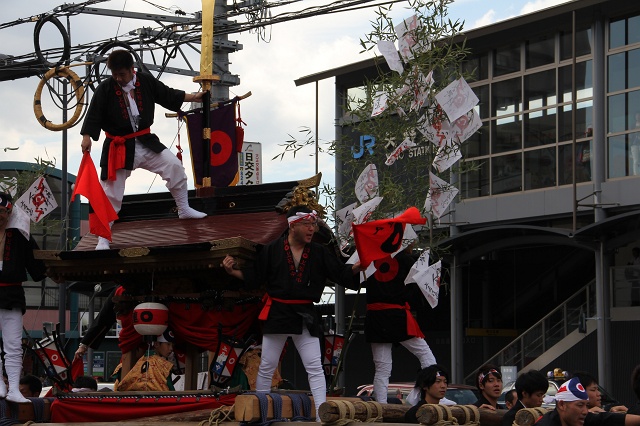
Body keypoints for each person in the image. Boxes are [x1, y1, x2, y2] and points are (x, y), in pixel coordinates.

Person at [222, 206, 362, 420]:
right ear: (293, 225)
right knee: (267, 364)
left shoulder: (319, 252)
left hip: (305, 313)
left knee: (314, 366)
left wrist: (357, 267)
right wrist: (232, 271)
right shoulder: (271, 250)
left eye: (314, 225)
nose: (312, 229)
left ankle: (320, 415)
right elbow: (255, 276)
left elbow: (339, 272)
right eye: (307, 224)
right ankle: (260, 412)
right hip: (278, 311)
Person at [80, 49, 207, 250]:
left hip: (145, 141)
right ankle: (103, 238)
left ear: (132, 69)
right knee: (110, 194)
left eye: (122, 74)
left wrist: (195, 97)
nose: (118, 78)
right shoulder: (105, 89)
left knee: (174, 165)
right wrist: (87, 136)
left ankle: (183, 208)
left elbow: (167, 94)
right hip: (119, 146)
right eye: (115, 74)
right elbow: (93, 114)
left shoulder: (145, 81)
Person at [364, 246, 436, 404]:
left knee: (382, 368)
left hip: (375, 316)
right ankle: (425, 394)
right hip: (397, 316)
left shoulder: (368, 257)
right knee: (426, 355)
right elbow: (413, 291)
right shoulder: (407, 260)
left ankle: (381, 406)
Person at [0, 192, 47, 403]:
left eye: (3, 212)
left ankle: (13, 389)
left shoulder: (20, 234)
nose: (0, 216)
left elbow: (37, 266)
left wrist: (54, 269)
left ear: (10, 211)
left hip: (12, 294)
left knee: (13, 345)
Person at [534, 377, 640, 426]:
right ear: (562, 405)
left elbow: (610, 419)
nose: (585, 411)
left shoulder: (581, 418)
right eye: (580, 405)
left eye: (586, 405)